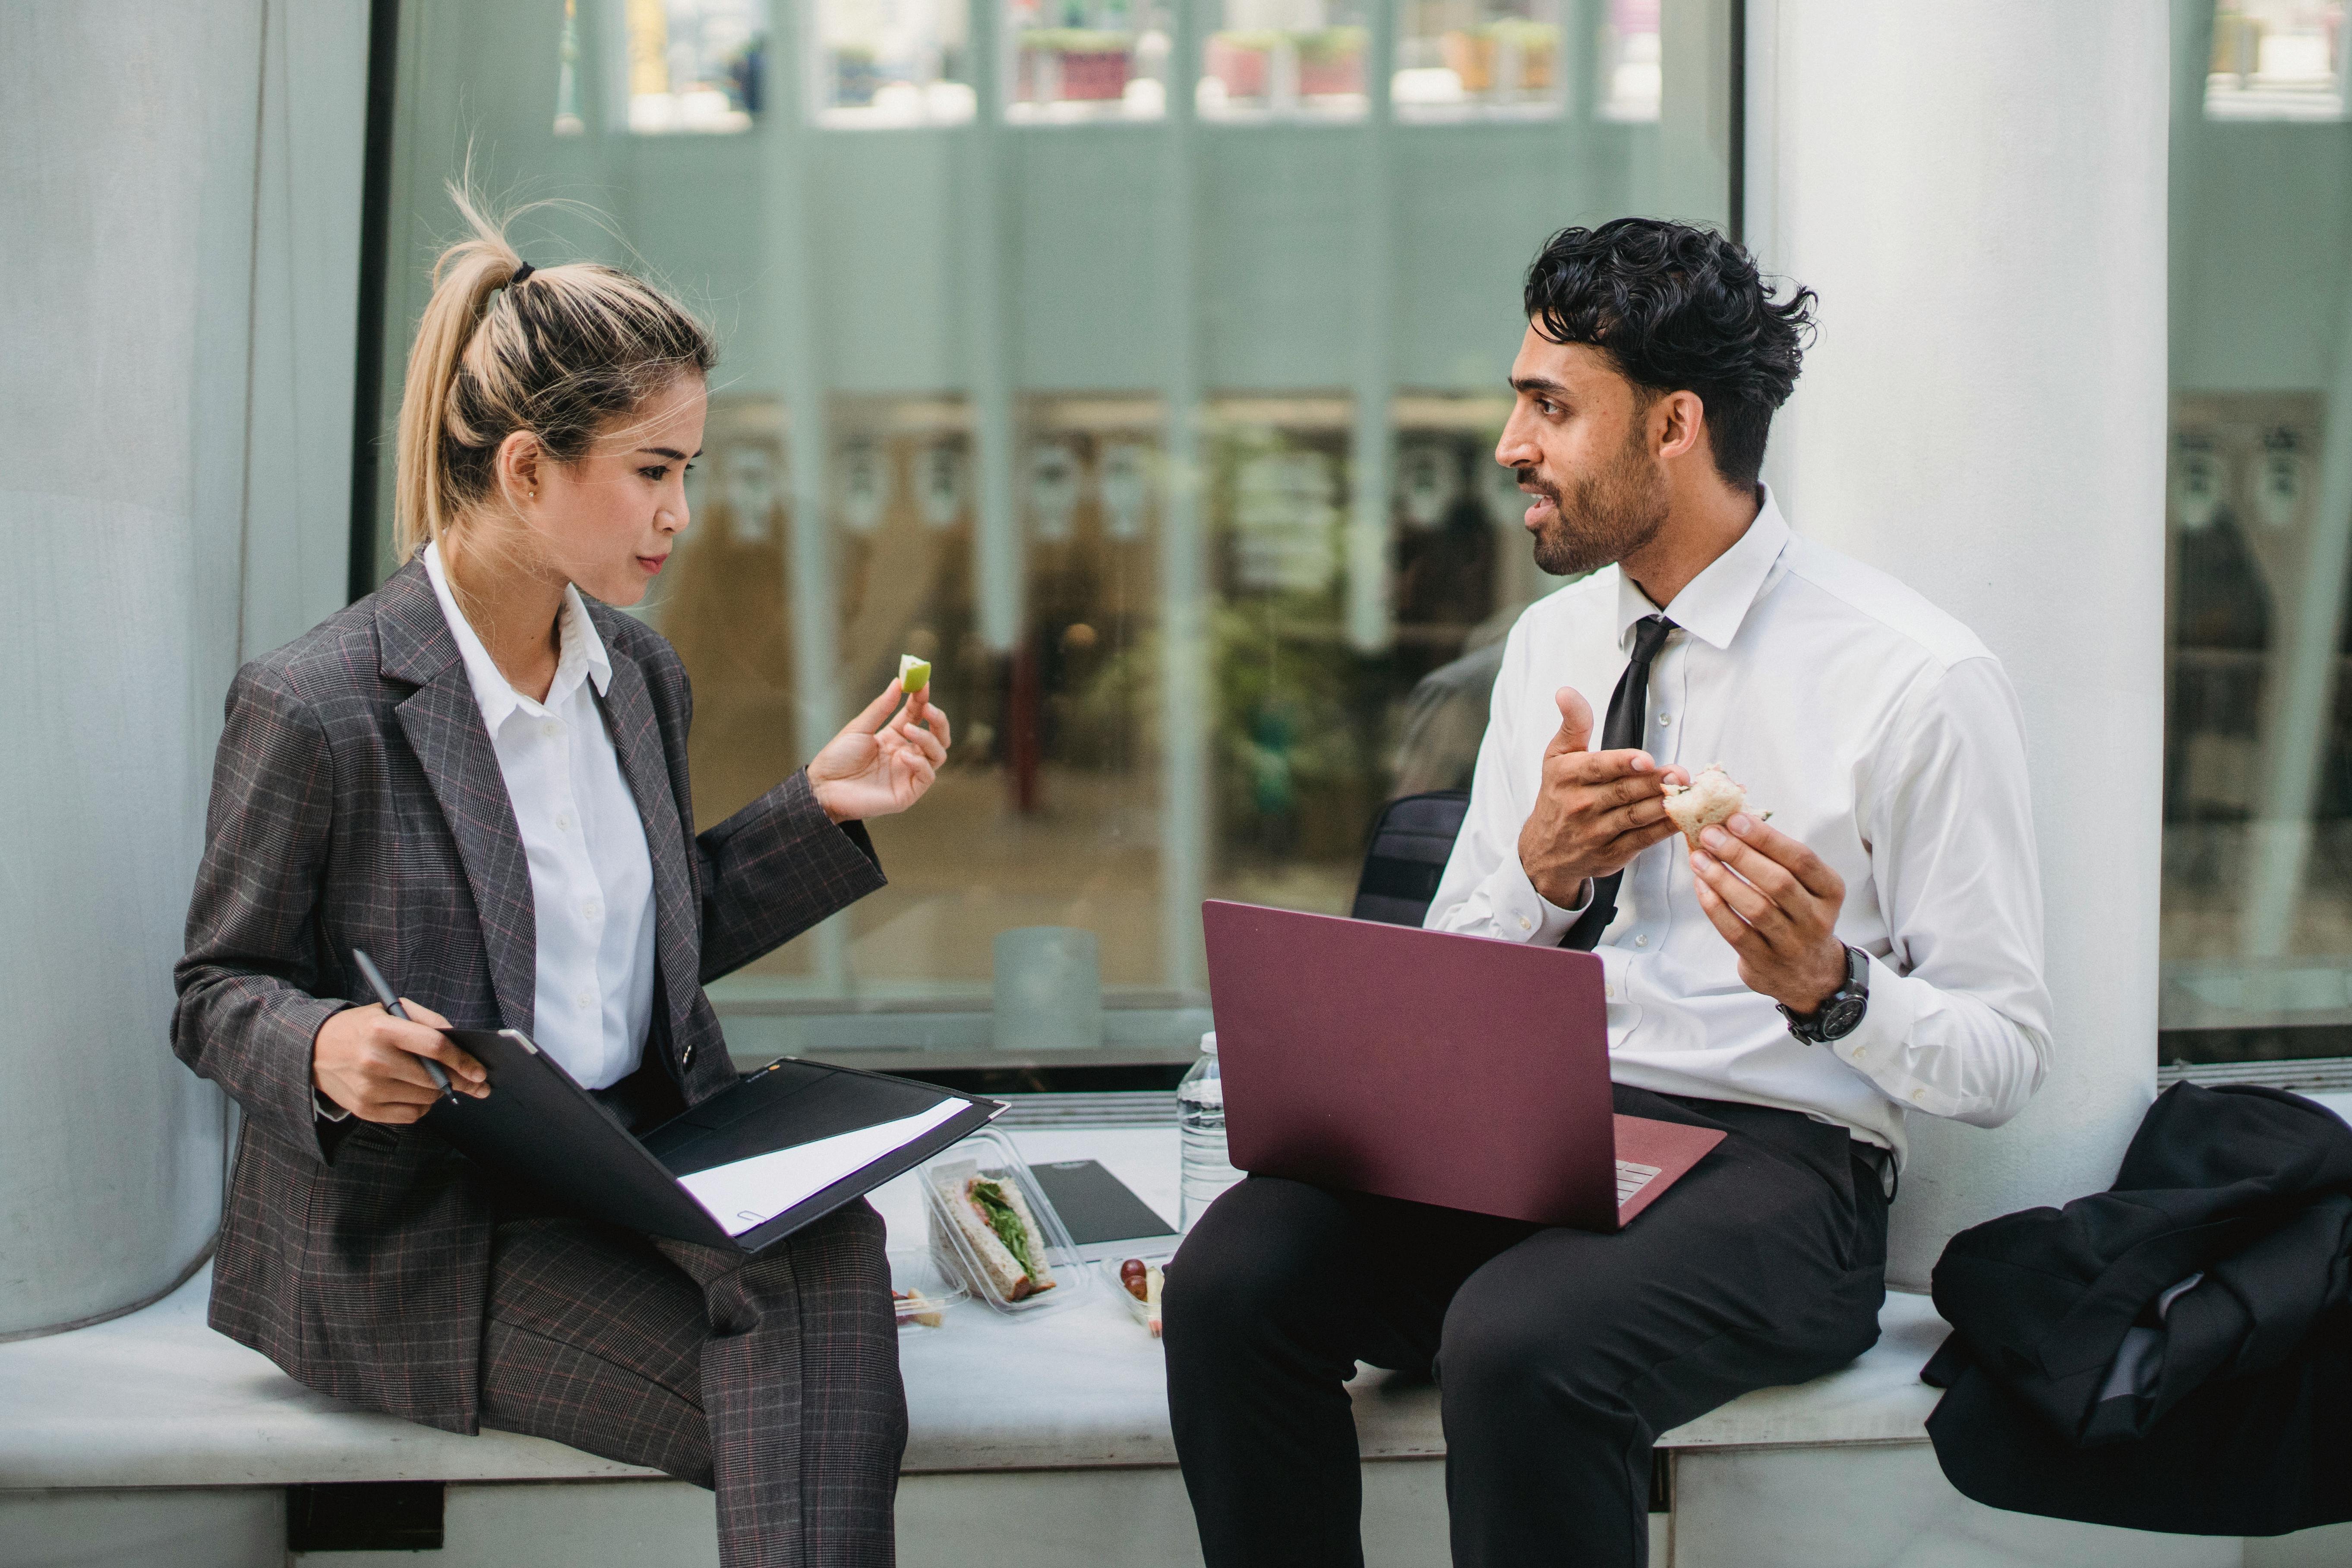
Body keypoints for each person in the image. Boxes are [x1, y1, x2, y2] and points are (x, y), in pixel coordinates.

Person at [1162, 218, 2052, 1567]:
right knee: (1231, 1280)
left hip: (1778, 1169)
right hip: (1534, 1131)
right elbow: (1460, 961)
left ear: (1673, 425)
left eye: (1549, 407)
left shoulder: (1913, 679)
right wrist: (1538, 871)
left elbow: (2002, 1056)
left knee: (1518, 1340)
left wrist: (1833, 988)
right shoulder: (1555, 642)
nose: (1511, 445)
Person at [171, 190, 949, 1568]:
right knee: (819, 1398)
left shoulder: (637, 676)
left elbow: (644, 938)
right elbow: (214, 990)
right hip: (438, 1229)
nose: (683, 514)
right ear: (526, 469)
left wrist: (817, 810)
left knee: (830, 1259)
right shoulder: (318, 704)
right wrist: (326, 1043)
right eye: (653, 471)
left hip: (640, 1163)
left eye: (691, 470)